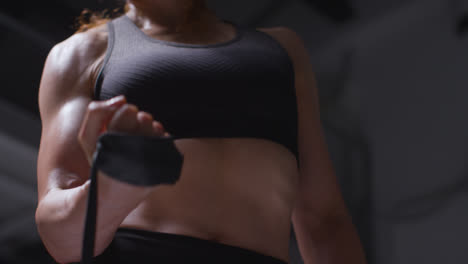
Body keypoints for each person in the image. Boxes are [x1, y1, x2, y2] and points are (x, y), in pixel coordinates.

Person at [35, 0, 367, 263]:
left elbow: (325, 221)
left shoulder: (283, 48)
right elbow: (60, 239)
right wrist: (110, 190)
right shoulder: (79, 54)